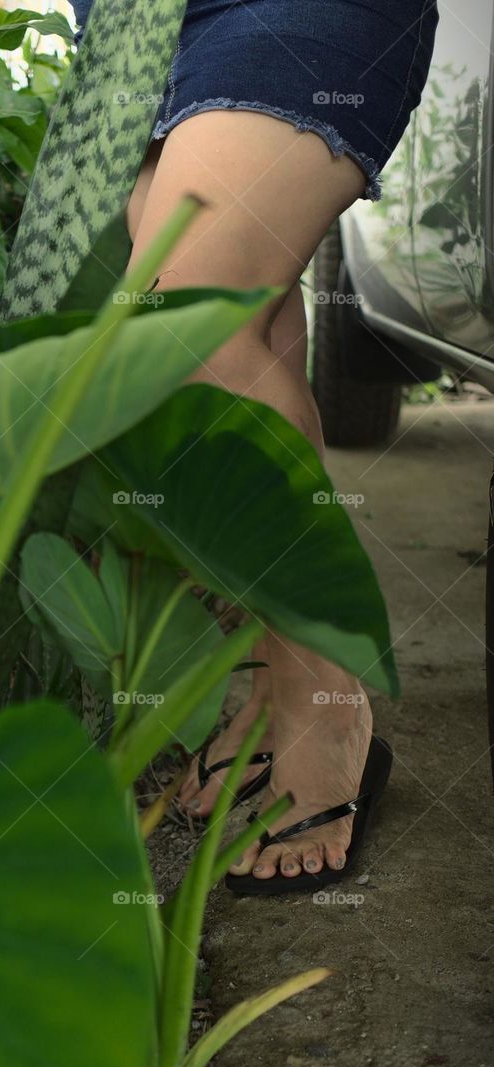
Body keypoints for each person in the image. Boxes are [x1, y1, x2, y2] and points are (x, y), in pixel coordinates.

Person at [72, 0, 438, 892]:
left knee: (183, 322)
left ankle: (328, 701)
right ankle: (285, 682)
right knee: (251, 323)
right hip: (135, 19)